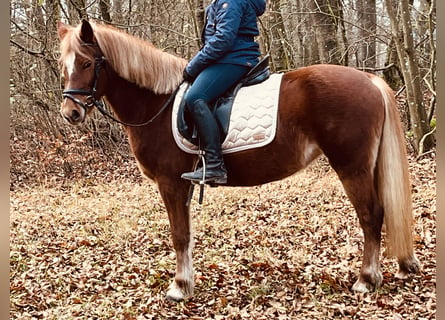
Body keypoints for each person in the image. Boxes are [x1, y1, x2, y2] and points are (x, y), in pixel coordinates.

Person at [181, 0, 266, 185]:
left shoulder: (231, 1)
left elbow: (223, 39)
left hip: (234, 59)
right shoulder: (218, 3)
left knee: (196, 97)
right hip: (228, 58)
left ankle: (214, 165)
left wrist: (193, 66)